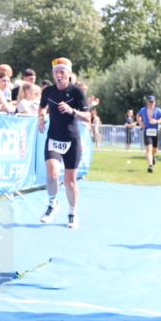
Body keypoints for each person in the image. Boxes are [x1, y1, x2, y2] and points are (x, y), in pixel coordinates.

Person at [38, 57, 90, 229]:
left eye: (62, 72)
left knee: (70, 182)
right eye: (56, 72)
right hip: (53, 138)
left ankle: (73, 213)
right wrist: (41, 117)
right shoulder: (48, 91)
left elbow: (88, 117)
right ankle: (52, 205)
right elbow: (42, 106)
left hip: (72, 140)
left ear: (69, 74)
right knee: (52, 174)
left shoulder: (77, 92)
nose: (59, 75)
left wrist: (72, 111)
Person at [138, 94, 161, 173]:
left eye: (152, 102)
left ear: (155, 102)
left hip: (155, 131)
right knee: (148, 149)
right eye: (150, 102)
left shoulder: (158, 110)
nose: (151, 104)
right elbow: (138, 116)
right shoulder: (143, 110)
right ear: (147, 102)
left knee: (155, 149)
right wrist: (140, 123)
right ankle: (150, 166)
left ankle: (152, 157)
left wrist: (157, 121)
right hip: (147, 131)